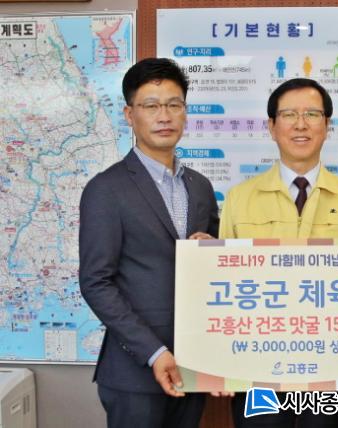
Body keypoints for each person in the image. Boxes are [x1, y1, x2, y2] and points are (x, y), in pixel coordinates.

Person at [220, 77, 338, 427]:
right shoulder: (238, 200)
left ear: (327, 126)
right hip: (258, 369)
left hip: (335, 370)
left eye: (312, 114)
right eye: (289, 114)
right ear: (272, 127)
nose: (301, 124)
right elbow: (223, 287)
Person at [79, 58, 219, 428]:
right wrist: (154, 352)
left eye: (174, 104)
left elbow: (213, 266)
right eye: (151, 105)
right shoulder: (106, 189)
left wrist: (212, 248)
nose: (165, 116)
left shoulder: (200, 187)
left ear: (185, 113)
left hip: (193, 367)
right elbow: (95, 282)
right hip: (135, 373)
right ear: (130, 114)